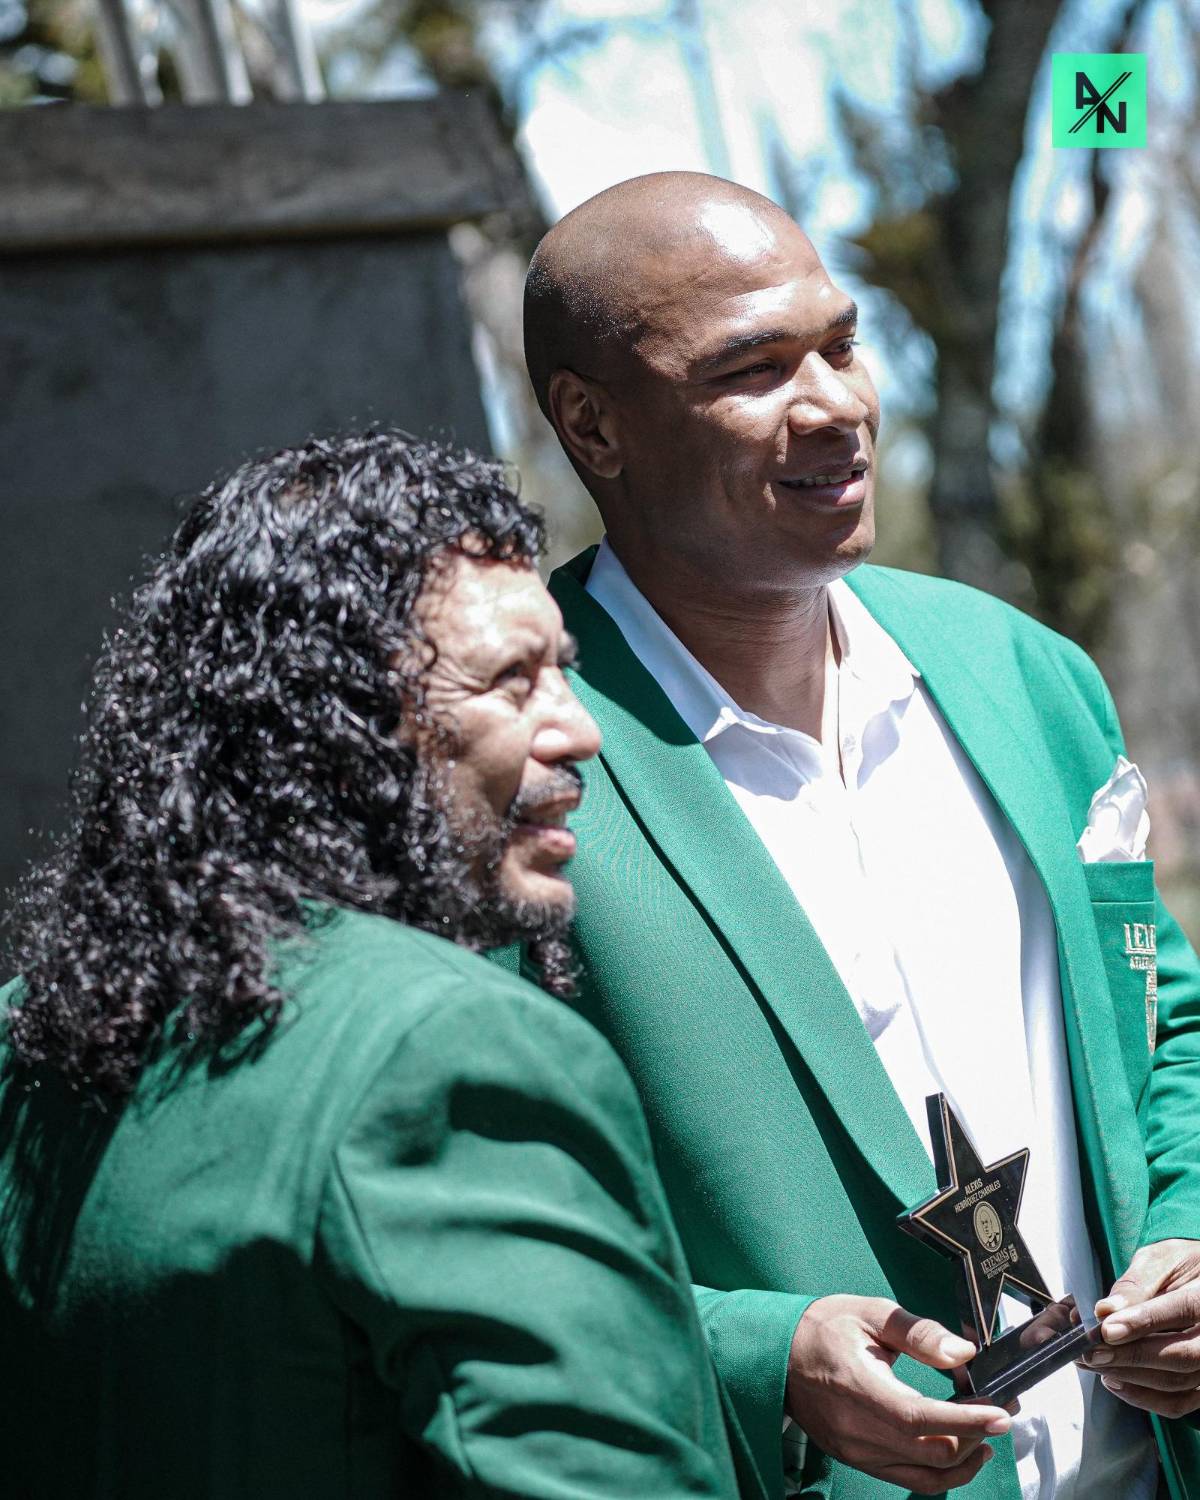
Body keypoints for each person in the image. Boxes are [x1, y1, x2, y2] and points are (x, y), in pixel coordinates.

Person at [513, 171, 1200, 1499]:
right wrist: (755, 1356)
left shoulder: (1023, 672)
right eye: (753, 370)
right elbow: (468, 1204)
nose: (836, 404)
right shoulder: (513, 753)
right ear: (593, 425)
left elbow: (1168, 1024)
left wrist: (1189, 1229)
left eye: (840, 343)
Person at [0, 431, 757, 1499]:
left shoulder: (29, 1035)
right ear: (335, 724)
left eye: (566, 673)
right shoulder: (451, 1056)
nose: (579, 732)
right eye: (513, 682)